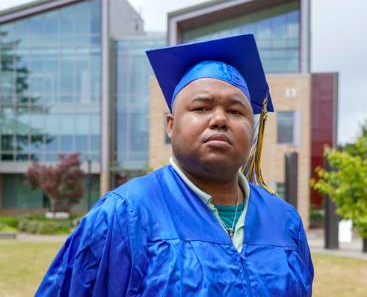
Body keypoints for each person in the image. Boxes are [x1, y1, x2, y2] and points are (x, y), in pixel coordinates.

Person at [36, 34, 314, 296]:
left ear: (253, 127)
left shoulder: (285, 222)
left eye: (236, 111)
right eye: (202, 108)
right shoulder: (124, 214)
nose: (220, 119)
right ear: (171, 125)